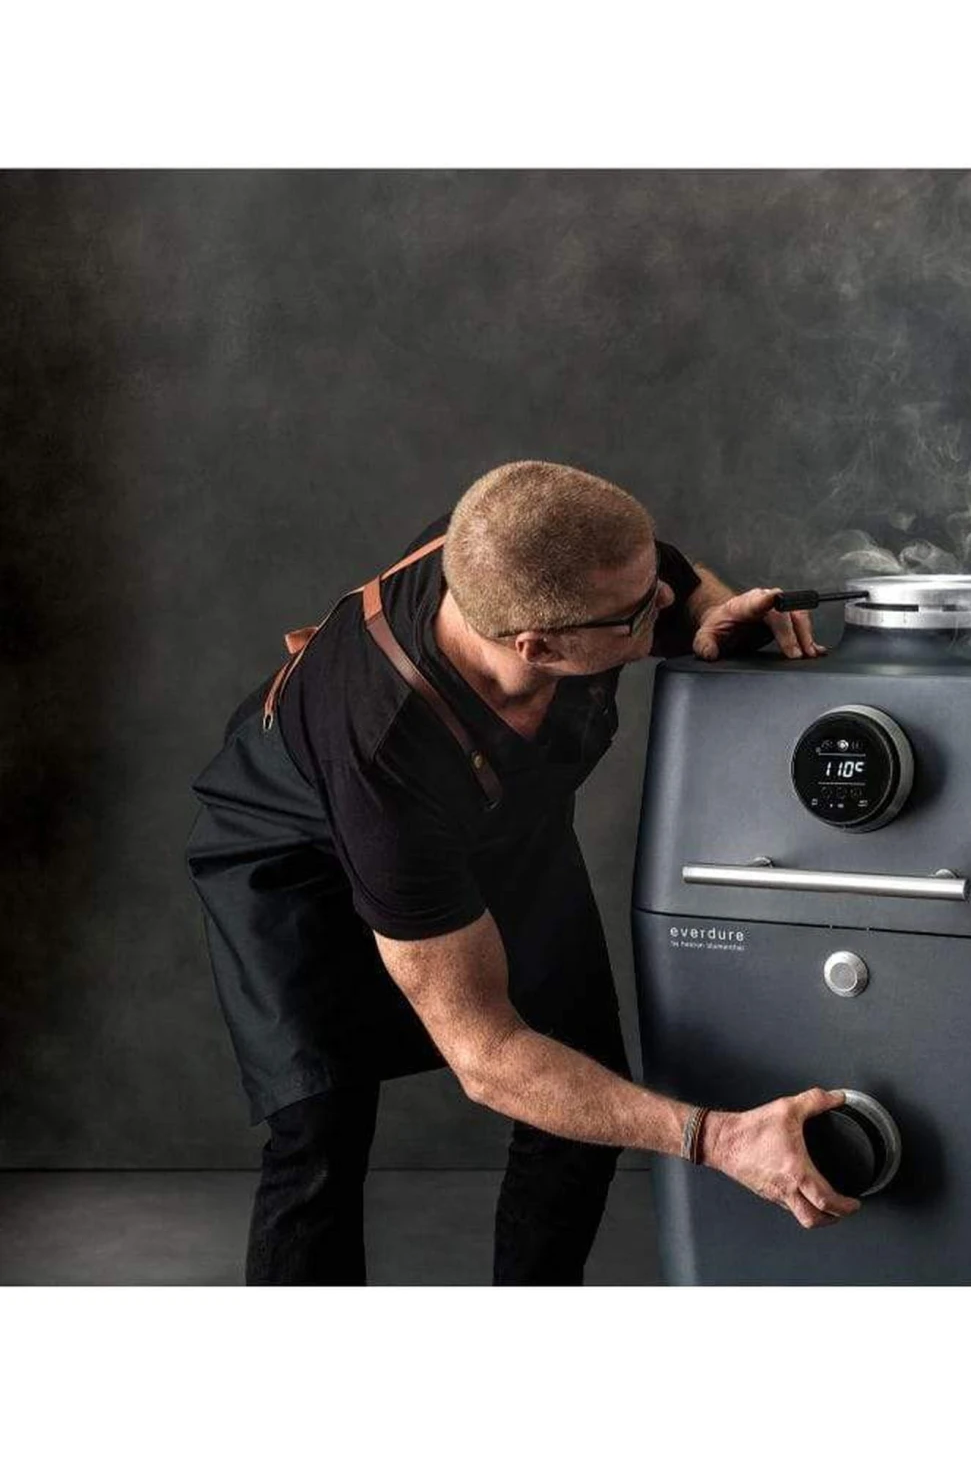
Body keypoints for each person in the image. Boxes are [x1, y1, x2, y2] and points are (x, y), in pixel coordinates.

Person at [186, 459, 861, 1286]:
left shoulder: (548, 553)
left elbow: (672, 582)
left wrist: (712, 611)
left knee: (587, 1098)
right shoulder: (384, 755)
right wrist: (715, 1138)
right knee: (319, 1130)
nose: (661, 602)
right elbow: (487, 1054)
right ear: (536, 646)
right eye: (639, 612)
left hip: (499, 822)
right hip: (301, 852)